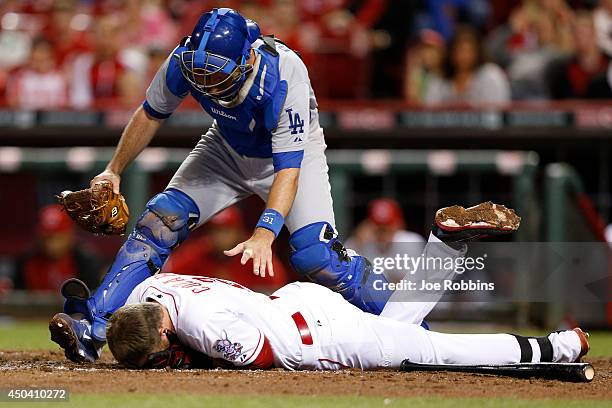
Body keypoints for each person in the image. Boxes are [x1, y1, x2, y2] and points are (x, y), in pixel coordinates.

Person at [47, 6, 514, 365]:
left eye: (216, 74)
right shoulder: (186, 60)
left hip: (288, 156)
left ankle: (420, 331)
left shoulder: (283, 72)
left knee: (314, 255)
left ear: (248, 57)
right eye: (200, 72)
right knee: (157, 224)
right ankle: (92, 325)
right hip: (225, 149)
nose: (205, 83)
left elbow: (287, 170)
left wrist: (267, 231)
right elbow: (150, 113)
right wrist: (113, 169)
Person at [103, 269, 589, 370]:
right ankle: (444, 249)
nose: (160, 360)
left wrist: (195, 360)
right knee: (399, 333)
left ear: (163, 330)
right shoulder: (150, 289)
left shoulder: (205, 327)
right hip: (299, 300)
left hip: (319, 338)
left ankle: (560, 347)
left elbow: (260, 357)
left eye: (157, 352)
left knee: (438, 352)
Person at [163, 206, 290, 289]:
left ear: (238, 231)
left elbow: (276, 289)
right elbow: (167, 279)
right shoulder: (197, 251)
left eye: (226, 231)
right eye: (216, 231)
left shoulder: (254, 252)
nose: (219, 237)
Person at [15, 205, 103, 292]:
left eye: (57, 238)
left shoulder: (84, 261)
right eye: (46, 238)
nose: (51, 245)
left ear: (69, 235)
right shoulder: (26, 260)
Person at [424, 26, 510, 105]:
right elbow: (429, 112)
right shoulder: (439, 79)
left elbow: (496, 114)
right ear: (451, 52)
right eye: (459, 51)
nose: (464, 56)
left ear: (478, 52)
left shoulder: (490, 75)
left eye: (468, 51)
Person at [346, 198, 425, 282]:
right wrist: (357, 241)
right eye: (379, 227)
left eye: (388, 226)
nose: (383, 231)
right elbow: (342, 271)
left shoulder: (410, 242)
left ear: (399, 224)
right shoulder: (362, 242)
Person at [547, 11, 612, 100]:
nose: (581, 39)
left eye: (585, 33)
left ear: (594, 34)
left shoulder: (609, 64)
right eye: (577, 34)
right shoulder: (563, 71)